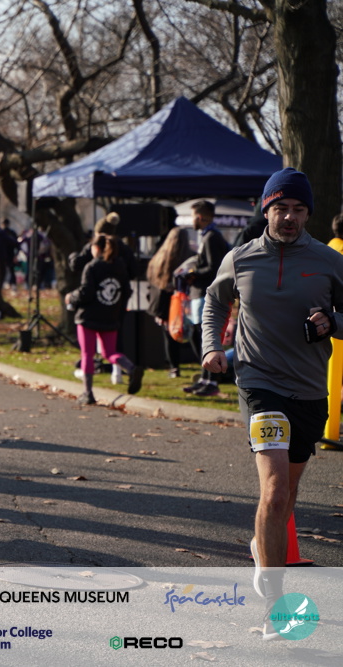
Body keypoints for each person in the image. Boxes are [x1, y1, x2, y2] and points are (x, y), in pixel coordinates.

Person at [200, 168, 343, 640]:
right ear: (266, 210)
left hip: (310, 390)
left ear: (308, 214)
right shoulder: (241, 258)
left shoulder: (328, 261)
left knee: (287, 494)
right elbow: (214, 302)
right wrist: (211, 347)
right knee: (276, 489)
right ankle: (274, 606)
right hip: (259, 384)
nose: (289, 217)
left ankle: (265, 547)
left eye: (298, 209)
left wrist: (332, 323)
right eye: (281, 208)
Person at [66, 233, 143, 405]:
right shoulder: (120, 266)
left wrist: (71, 297)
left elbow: (86, 292)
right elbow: (126, 291)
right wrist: (118, 310)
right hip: (110, 316)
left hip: (88, 317)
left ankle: (88, 393)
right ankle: (131, 368)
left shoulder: (92, 266)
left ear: (96, 248)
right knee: (110, 352)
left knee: (87, 354)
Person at [183, 200, 229, 396]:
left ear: (200, 217)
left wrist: (193, 273)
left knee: (204, 337)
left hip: (205, 294)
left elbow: (213, 267)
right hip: (199, 293)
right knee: (199, 336)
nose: (192, 220)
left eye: (193, 216)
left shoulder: (211, 237)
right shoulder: (208, 236)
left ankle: (211, 381)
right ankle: (205, 378)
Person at [145, 227, 194, 378]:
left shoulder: (159, 258)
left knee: (170, 336)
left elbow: (153, 284)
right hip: (185, 302)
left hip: (164, 304)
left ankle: (174, 368)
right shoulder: (188, 258)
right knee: (193, 334)